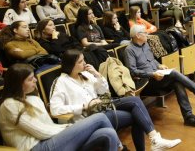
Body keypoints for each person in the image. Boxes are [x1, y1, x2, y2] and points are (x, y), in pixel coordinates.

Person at [49, 49, 181, 151]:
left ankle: (154, 140)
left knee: (136, 108)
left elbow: (104, 92)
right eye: (80, 62)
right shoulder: (61, 82)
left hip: (101, 109)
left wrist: (97, 75)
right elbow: (55, 109)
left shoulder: (85, 74)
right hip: (86, 120)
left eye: (84, 60)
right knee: (136, 111)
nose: (84, 63)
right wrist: (84, 105)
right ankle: (155, 140)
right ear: (70, 64)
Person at [0, 63, 121, 151]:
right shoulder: (9, 105)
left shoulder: (33, 98)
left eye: (34, 77)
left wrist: (70, 129)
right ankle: (121, 147)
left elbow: (48, 127)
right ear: (18, 83)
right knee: (99, 118)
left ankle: (118, 146)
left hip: (51, 141)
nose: (35, 80)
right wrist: (70, 127)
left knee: (108, 133)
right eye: (30, 79)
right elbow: (41, 132)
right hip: (35, 148)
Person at [125, 25, 195, 128]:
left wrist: (159, 65)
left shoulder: (146, 44)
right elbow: (133, 71)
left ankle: (188, 117)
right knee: (174, 73)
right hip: (146, 82)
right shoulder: (129, 50)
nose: (147, 34)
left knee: (177, 82)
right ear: (138, 36)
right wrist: (153, 74)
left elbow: (152, 60)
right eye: (145, 32)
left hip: (158, 76)